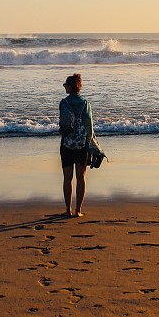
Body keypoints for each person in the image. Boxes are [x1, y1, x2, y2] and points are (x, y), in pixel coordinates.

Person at [59, 73, 93, 217]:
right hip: (81, 144)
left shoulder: (64, 103)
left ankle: (68, 210)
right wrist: (90, 143)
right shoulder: (85, 103)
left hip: (67, 143)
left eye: (66, 85)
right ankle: (78, 210)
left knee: (67, 178)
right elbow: (89, 126)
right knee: (81, 177)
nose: (65, 87)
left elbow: (63, 124)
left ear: (71, 87)